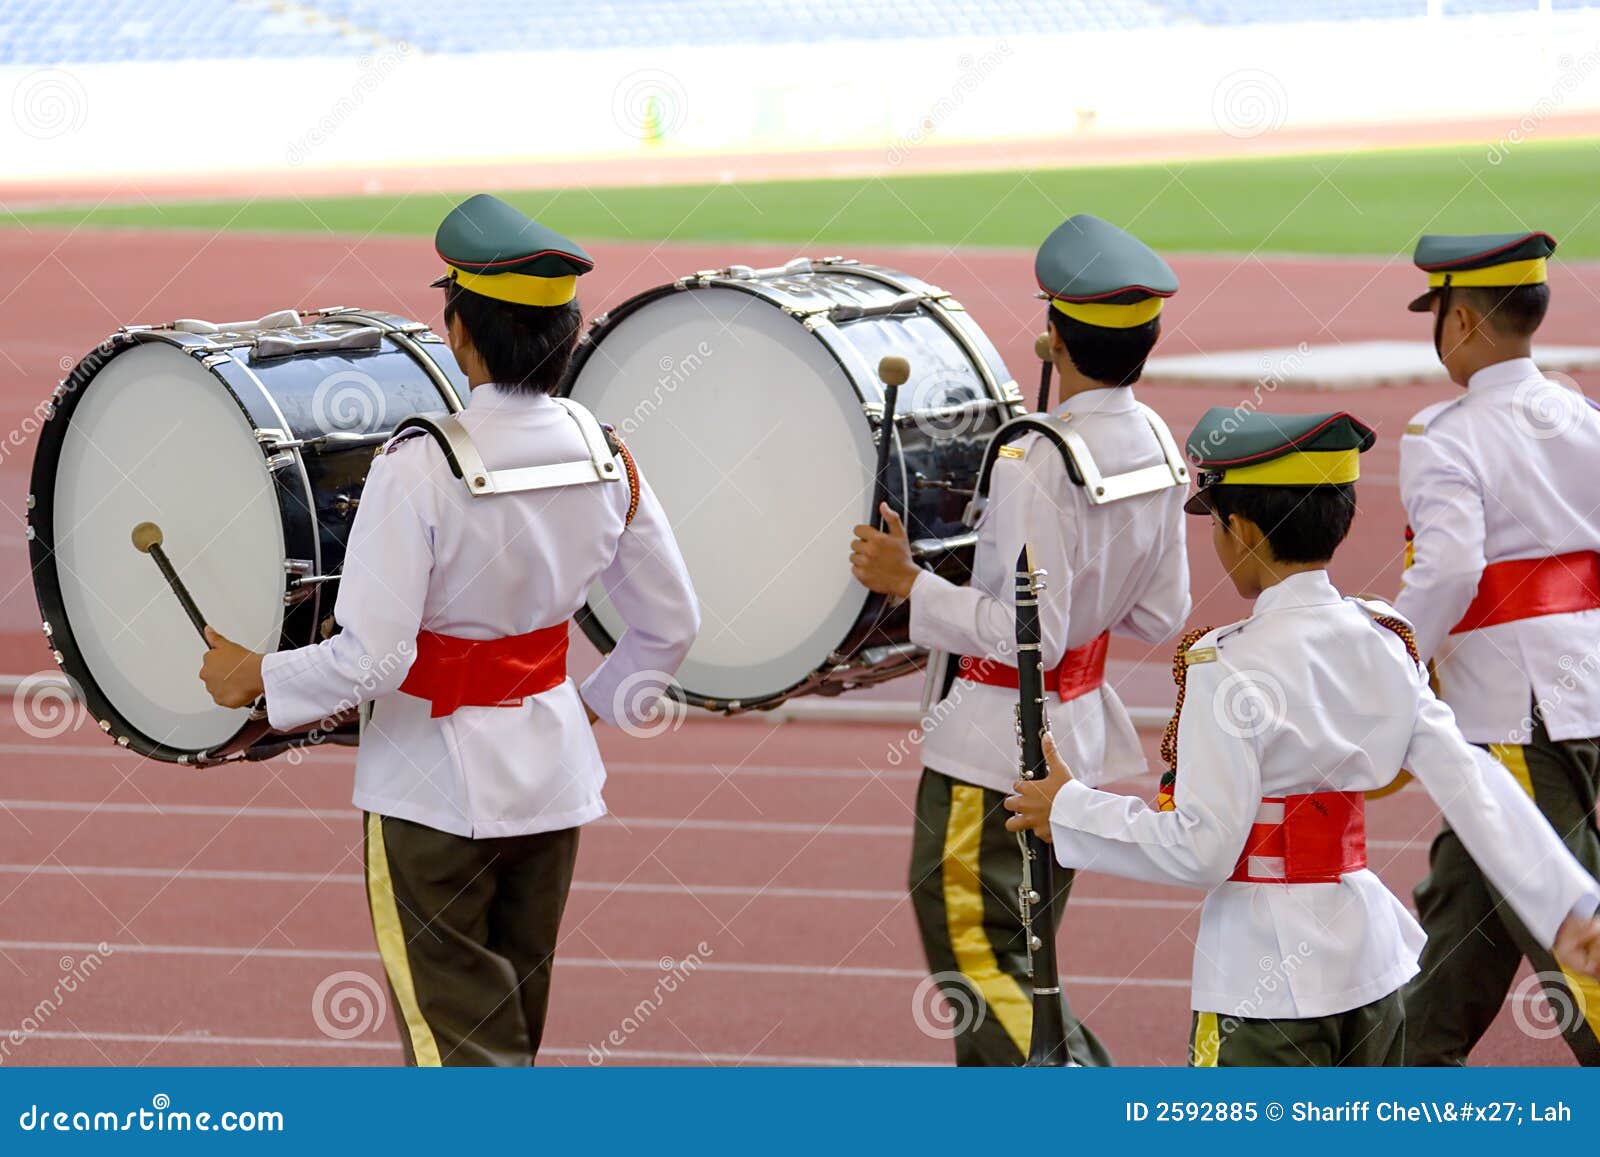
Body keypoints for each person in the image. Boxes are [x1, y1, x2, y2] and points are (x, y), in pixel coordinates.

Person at [198, 193, 700, 1066]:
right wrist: (589, 708)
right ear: (566, 337)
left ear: (460, 335)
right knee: (507, 1038)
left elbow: (376, 655)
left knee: (459, 1054)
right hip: (552, 779)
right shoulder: (605, 452)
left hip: (432, 792)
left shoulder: (422, 463)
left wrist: (260, 678)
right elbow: (672, 625)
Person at [1003, 407, 1600, 1066]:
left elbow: (1202, 847)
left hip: (1263, 984)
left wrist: (1068, 808)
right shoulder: (1384, 642)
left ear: (1244, 530)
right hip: (1372, 968)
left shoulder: (1225, 666)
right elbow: (1475, 783)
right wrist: (1568, 907)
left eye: (1218, 525)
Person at [850, 214, 1191, 1066]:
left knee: (975, 950)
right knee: (1021, 959)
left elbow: (1028, 630)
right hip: (1070, 739)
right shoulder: (1153, 438)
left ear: (1054, 339)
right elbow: (1160, 614)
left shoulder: (1035, 458)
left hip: (994, 751)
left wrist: (910, 584)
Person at [1394, 230, 1600, 1065]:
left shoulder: (1444, 434)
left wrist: (1392, 651)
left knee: (1573, 930)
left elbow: (1449, 568)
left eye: (1438, 312)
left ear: (1466, 323)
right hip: (1580, 692)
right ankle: (1401, 1091)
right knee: (1462, 928)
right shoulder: (1582, 416)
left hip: (1510, 712)